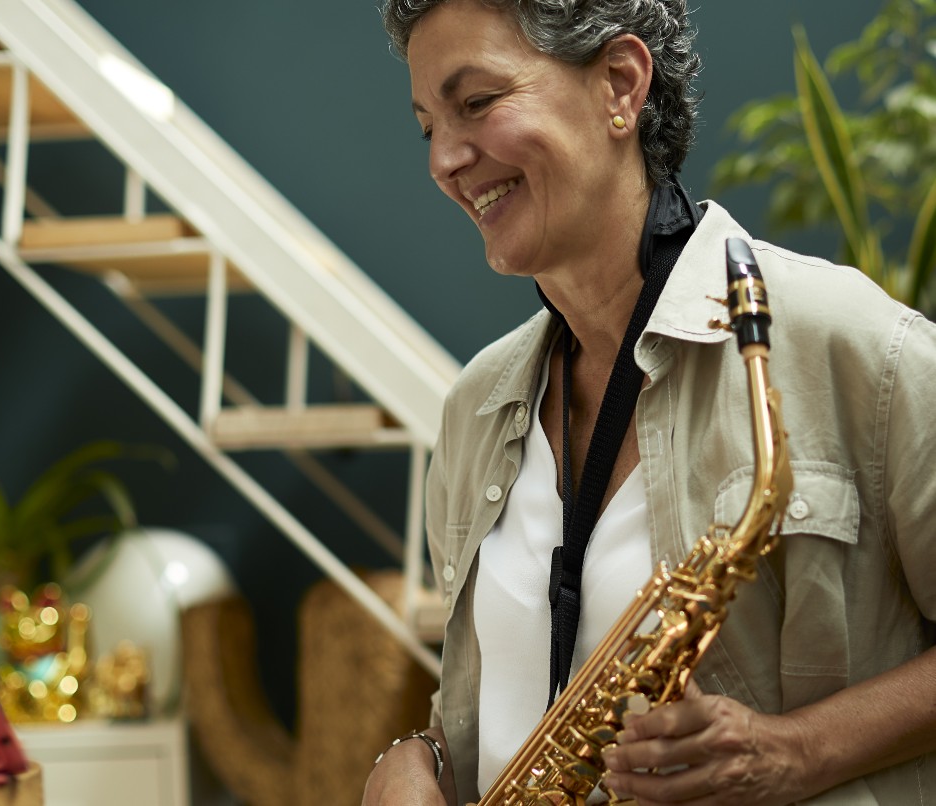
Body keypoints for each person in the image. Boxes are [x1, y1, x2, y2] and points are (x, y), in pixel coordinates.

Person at [361, 1, 936, 805]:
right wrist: (418, 757)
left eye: (478, 103)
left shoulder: (850, 343)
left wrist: (794, 753)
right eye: (427, 126)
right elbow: (497, 698)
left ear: (621, 86)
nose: (446, 160)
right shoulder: (477, 407)